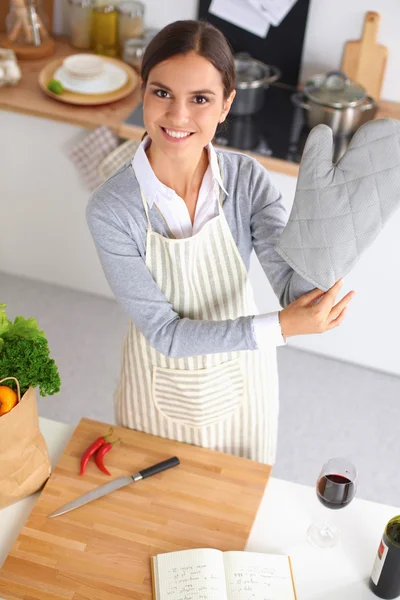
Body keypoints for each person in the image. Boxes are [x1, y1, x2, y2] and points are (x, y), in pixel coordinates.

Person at [87, 19, 354, 465]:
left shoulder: (247, 180)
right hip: (159, 380)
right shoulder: (112, 209)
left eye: (201, 99)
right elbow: (166, 334)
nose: (177, 116)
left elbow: (289, 284)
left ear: (227, 104)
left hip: (241, 375)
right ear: (142, 90)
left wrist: (326, 236)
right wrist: (285, 327)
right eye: (162, 92)